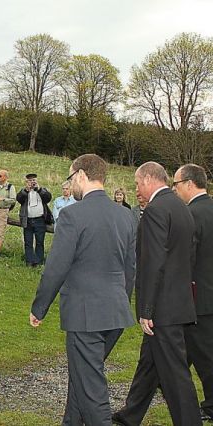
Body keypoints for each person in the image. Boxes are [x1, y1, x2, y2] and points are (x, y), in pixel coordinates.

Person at [30, 154, 136, 425]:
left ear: (80, 175)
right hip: (115, 312)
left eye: (70, 177)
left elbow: (56, 267)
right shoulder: (125, 216)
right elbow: (130, 268)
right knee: (82, 377)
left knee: (92, 391)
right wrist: (121, 301)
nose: (70, 183)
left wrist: (39, 307)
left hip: (86, 314)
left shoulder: (73, 215)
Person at [113, 162, 201, 426]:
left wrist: (146, 310)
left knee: (175, 374)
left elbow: (152, 263)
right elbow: (189, 257)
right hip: (178, 302)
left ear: (150, 179)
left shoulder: (155, 210)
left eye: (138, 183)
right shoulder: (181, 209)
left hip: (163, 308)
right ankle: (131, 415)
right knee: (149, 364)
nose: (136, 189)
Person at [172, 163, 213, 422]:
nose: (174, 190)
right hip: (208, 293)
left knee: (205, 355)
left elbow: (187, 259)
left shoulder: (192, 214)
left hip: (198, 297)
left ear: (189, 184)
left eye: (175, 184)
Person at [16, 173, 52, 267]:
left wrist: (39, 189)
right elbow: (19, 199)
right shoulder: (24, 191)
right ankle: (29, 261)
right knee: (28, 242)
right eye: (30, 181)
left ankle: (39, 262)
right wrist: (26, 190)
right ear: (26, 182)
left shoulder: (42, 190)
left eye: (34, 180)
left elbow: (48, 198)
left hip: (40, 220)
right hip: (27, 220)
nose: (32, 182)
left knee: (40, 241)